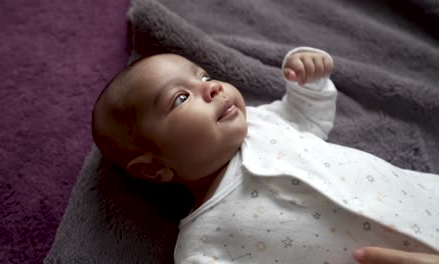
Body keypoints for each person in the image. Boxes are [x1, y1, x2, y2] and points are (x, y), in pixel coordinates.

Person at [91, 47, 439, 264]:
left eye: (205, 76)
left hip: (425, 198)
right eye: (180, 98)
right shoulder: (204, 244)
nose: (212, 87)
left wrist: (309, 81)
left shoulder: (262, 122)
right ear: (155, 169)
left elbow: (307, 116)